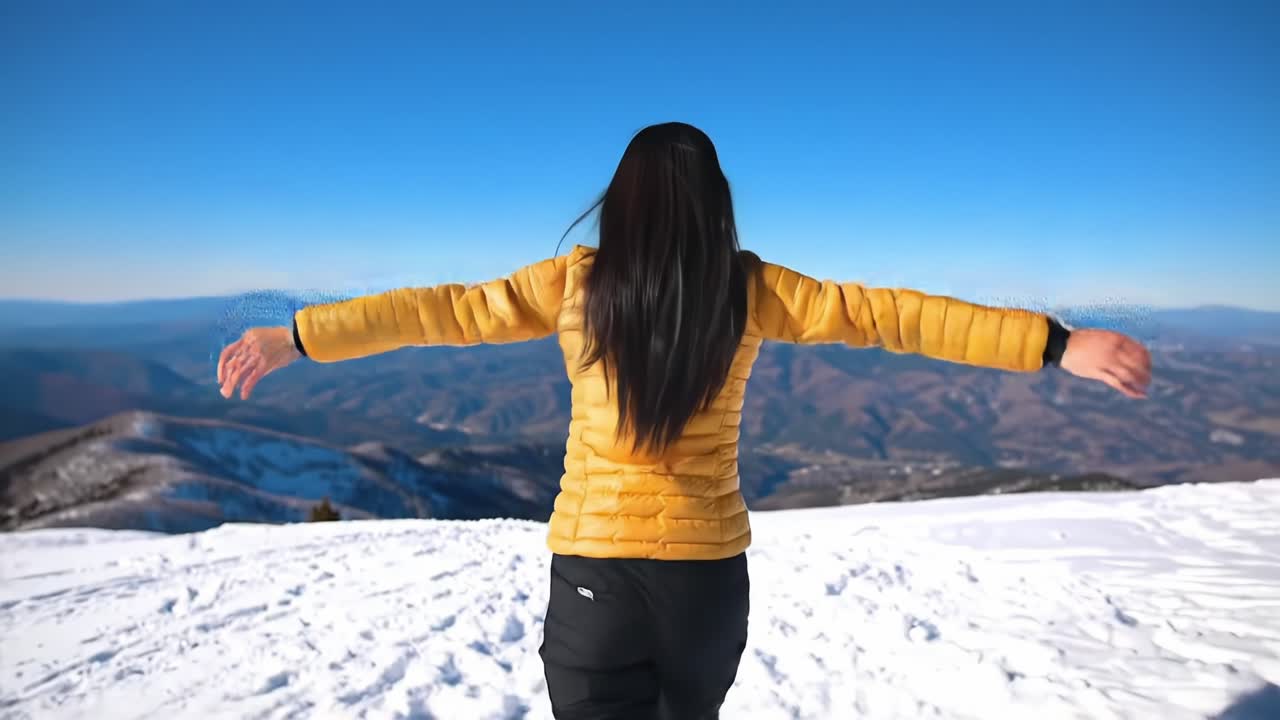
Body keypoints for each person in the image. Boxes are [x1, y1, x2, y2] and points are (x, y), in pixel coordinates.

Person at [216, 122, 1152, 719]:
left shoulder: (574, 283)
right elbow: (894, 315)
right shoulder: (750, 288)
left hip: (595, 578)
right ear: (715, 206)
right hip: (708, 578)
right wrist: (1052, 343)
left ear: (620, 203)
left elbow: (441, 309)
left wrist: (299, 334)